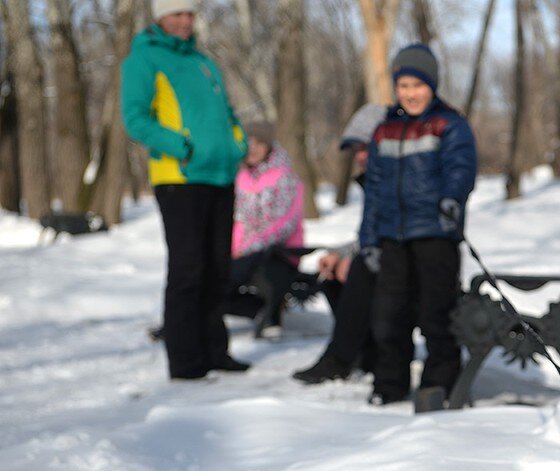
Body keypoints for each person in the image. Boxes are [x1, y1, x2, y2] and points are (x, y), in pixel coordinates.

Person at [121, 0, 249, 379]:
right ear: (161, 17)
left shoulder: (203, 62)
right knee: (188, 269)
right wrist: (183, 147)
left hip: (220, 176)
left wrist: (237, 143)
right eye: (177, 13)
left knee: (217, 269)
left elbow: (228, 113)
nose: (184, 21)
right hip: (179, 178)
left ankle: (215, 351)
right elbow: (135, 119)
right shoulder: (143, 59)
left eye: (189, 14)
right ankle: (185, 360)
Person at [359, 44, 478, 405]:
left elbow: (460, 169)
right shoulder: (384, 131)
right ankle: (389, 384)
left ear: (432, 86)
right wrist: (368, 237)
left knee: (436, 314)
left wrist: (451, 199)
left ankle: (439, 382)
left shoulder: (449, 124)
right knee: (388, 316)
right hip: (392, 237)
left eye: (418, 85)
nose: (411, 93)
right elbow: (374, 189)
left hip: (435, 235)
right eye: (404, 85)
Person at [292, 103, 387, 384]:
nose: (359, 156)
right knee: (331, 274)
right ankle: (366, 352)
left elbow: (393, 237)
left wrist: (357, 259)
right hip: (386, 258)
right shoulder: (375, 182)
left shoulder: (396, 181)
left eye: (365, 147)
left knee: (358, 271)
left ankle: (339, 358)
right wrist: (339, 254)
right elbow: (369, 237)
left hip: (412, 265)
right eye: (356, 149)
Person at [225, 121, 305, 333]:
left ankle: (272, 313)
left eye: (258, 143)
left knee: (264, 271)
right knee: (216, 278)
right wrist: (234, 250)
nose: (252, 148)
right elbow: (239, 221)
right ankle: (258, 310)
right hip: (245, 252)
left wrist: (251, 247)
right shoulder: (239, 178)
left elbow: (283, 223)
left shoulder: (284, 177)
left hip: (279, 252)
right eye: (247, 143)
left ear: (268, 145)